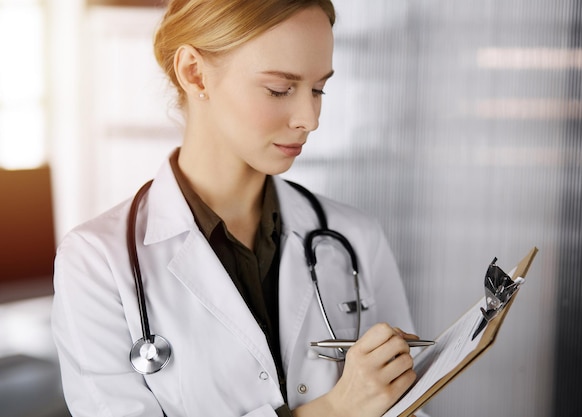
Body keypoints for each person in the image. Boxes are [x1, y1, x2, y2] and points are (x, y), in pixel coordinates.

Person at [51, 1, 425, 416]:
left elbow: (408, 404)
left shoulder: (355, 237)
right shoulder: (96, 261)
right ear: (195, 73)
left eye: (318, 89)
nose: (310, 118)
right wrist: (335, 410)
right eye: (280, 89)